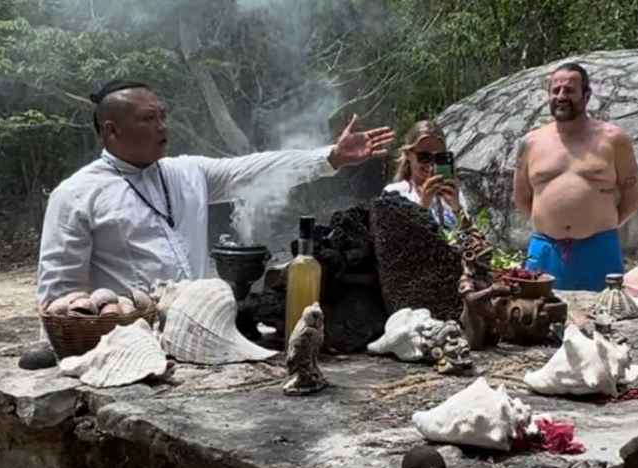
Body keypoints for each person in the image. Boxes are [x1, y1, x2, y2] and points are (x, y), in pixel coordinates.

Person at [25, 80, 393, 368]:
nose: (161, 126)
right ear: (111, 130)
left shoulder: (186, 173)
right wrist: (67, 356)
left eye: (162, 116)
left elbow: (253, 168)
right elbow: (60, 294)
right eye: (148, 118)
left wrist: (329, 157)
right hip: (128, 351)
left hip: (200, 340)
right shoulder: (75, 194)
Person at [513, 62, 638, 291]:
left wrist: (599, 224)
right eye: (556, 90)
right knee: (540, 319)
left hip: (599, 250)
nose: (561, 96)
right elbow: (522, 198)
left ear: (586, 95)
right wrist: (550, 223)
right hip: (545, 250)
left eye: (570, 90)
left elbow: (633, 198)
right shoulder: (531, 143)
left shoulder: (613, 139)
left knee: (605, 321)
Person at [383, 120, 468, 228]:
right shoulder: (394, 194)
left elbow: (470, 235)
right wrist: (423, 207)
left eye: (439, 157)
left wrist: (457, 208)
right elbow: (397, 240)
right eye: (424, 157)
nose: (431, 164)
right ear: (408, 154)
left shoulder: (453, 192)